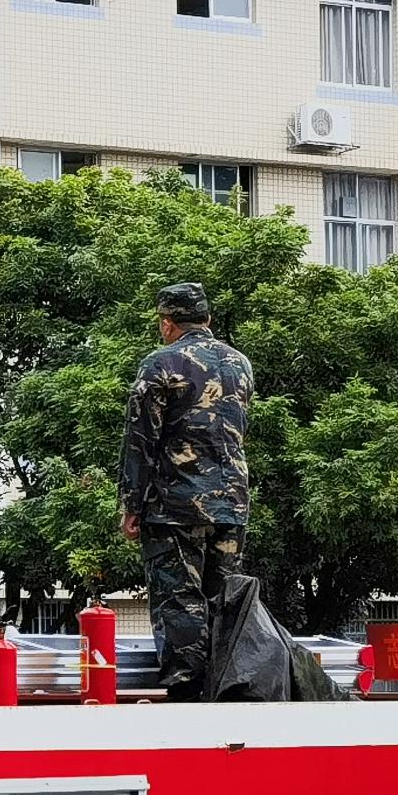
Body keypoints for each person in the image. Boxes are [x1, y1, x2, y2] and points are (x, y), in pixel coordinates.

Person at [118, 281, 257, 701]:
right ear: (207, 319)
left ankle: (187, 696)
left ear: (167, 323)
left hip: (175, 504)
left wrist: (131, 505)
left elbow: (140, 440)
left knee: (179, 600)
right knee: (224, 599)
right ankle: (227, 689)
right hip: (231, 502)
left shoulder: (160, 364)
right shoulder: (239, 364)